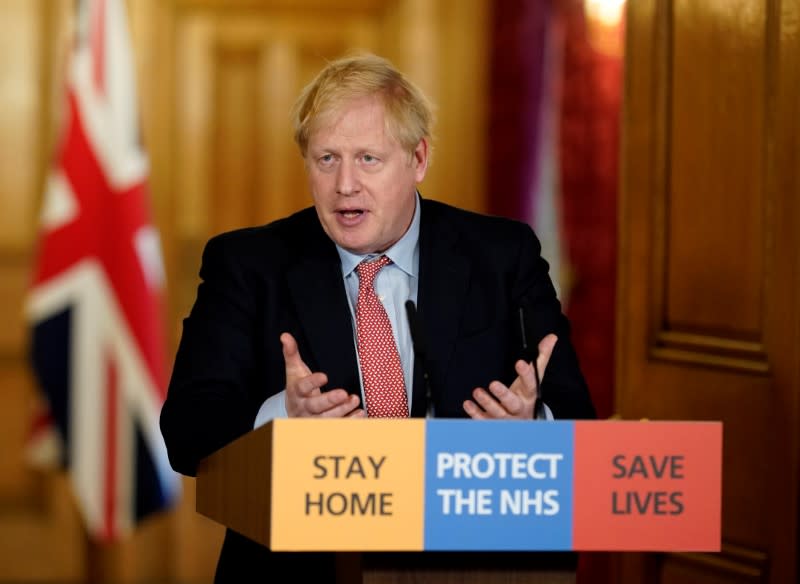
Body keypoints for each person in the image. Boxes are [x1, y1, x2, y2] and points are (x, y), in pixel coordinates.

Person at [160, 52, 596, 583]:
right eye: (326, 159)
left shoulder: (503, 256)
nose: (345, 184)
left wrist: (534, 429)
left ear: (418, 160)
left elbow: (579, 421)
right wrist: (280, 420)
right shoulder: (249, 265)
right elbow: (186, 431)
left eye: (368, 159)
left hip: (472, 564)